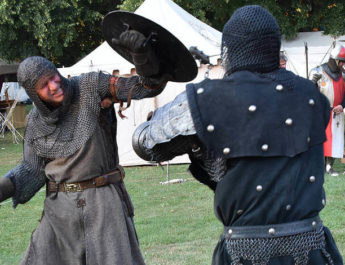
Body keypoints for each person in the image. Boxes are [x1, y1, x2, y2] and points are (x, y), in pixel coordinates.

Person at [131, 5, 343, 265]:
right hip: (311, 252)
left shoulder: (207, 99)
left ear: (229, 51)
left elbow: (145, 143)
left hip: (245, 253)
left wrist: (151, 76)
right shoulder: (311, 96)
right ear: (273, 48)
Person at [0, 30, 168, 265]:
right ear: (33, 94)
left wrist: (142, 56)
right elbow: (31, 170)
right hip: (59, 214)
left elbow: (144, 87)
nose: (54, 86)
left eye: (53, 77)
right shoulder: (36, 122)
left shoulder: (90, 86)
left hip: (103, 207)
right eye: (43, 85)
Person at [310, 44, 345, 176]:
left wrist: (342, 105)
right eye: (341, 61)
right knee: (321, 139)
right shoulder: (317, 72)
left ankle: (329, 166)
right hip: (321, 111)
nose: (342, 64)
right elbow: (310, 91)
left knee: (336, 140)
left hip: (337, 112)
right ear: (335, 60)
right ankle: (319, 165)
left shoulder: (344, 74)